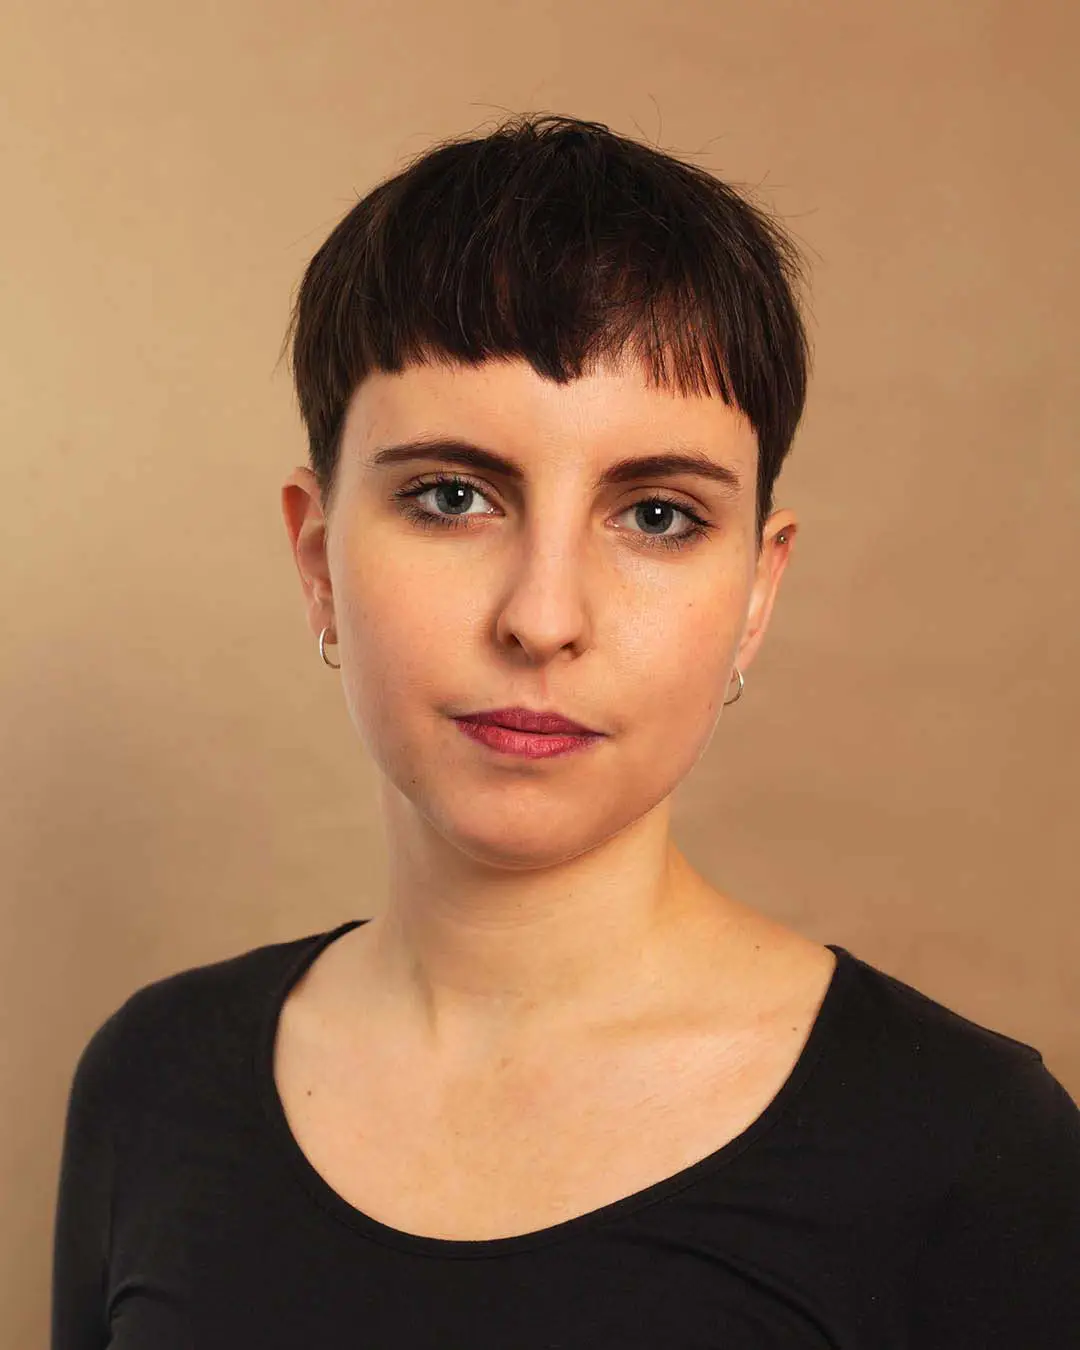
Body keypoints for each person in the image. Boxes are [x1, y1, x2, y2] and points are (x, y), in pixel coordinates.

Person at [52, 112, 1080, 1348]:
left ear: (757, 593)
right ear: (318, 559)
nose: (544, 618)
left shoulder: (967, 1147)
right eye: (452, 496)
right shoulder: (151, 1082)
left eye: (656, 515)